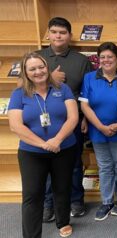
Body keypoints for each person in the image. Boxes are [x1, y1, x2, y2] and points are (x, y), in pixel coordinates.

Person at [8, 52, 78, 237]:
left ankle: (63, 222)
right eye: (32, 69)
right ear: (25, 72)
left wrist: (56, 140)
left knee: (62, 187)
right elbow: (15, 126)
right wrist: (43, 144)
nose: (38, 71)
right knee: (32, 195)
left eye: (41, 67)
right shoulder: (18, 94)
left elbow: (73, 118)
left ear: (47, 67)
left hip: (64, 148)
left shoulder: (63, 89)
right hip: (31, 152)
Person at [37, 17, 92, 221]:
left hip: (73, 121)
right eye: (54, 32)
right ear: (48, 34)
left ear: (69, 36)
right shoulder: (37, 58)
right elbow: (21, 87)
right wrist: (50, 78)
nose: (58, 36)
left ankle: (76, 200)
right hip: (43, 123)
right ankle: (48, 203)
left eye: (62, 32)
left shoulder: (82, 61)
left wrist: (85, 118)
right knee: (46, 164)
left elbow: (88, 93)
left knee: (74, 163)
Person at [79, 42, 117, 221]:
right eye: (102, 57)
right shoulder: (89, 78)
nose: (106, 60)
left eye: (110, 57)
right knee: (105, 167)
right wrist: (100, 126)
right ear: (98, 60)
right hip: (97, 131)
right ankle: (107, 201)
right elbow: (84, 104)